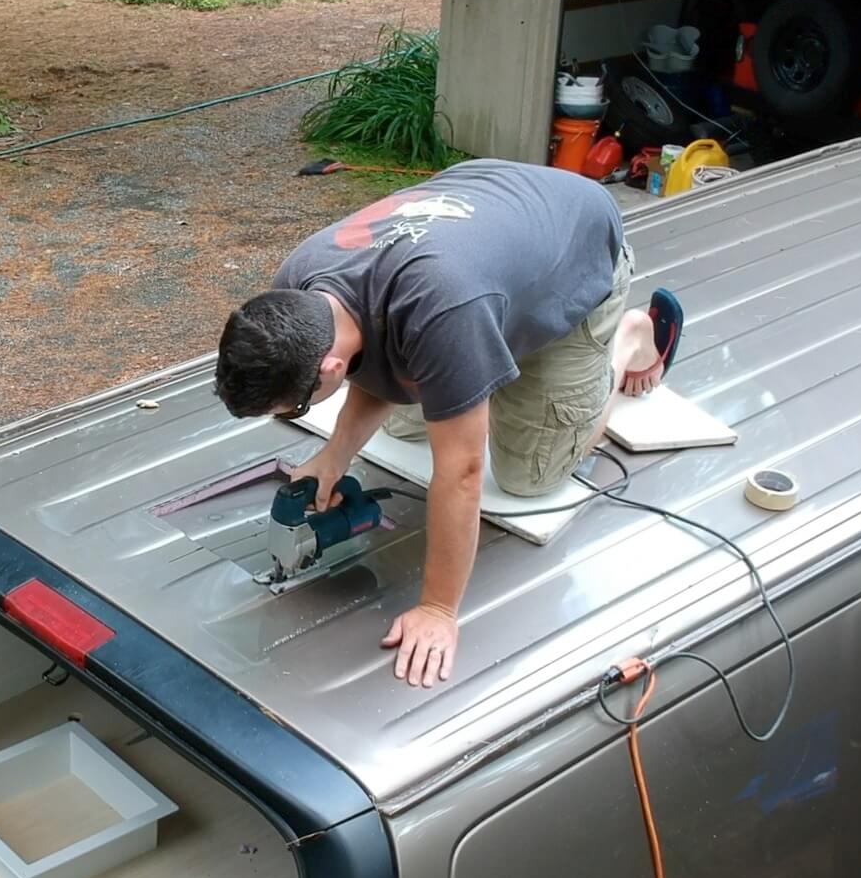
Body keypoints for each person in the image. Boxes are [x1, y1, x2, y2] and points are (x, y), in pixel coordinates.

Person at [214, 159, 682, 689]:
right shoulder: (296, 293)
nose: (297, 415)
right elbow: (372, 347)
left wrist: (437, 608)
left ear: (328, 368)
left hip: (577, 241)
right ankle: (481, 363)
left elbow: (461, 472)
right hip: (491, 234)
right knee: (403, 425)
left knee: (529, 478)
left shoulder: (441, 308)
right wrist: (334, 456)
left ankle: (630, 339)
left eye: (296, 407)